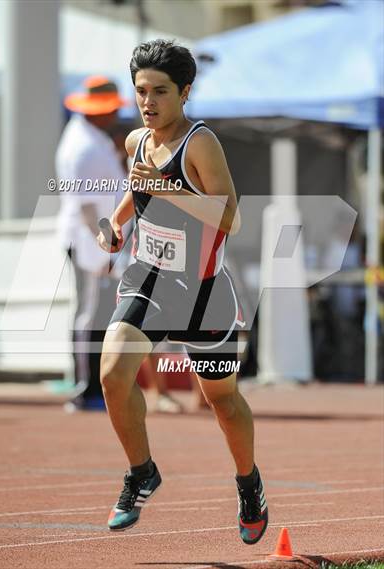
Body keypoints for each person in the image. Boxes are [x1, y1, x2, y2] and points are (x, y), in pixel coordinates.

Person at [97, 40, 268, 545]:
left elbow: (230, 218)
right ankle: (141, 471)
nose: (148, 102)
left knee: (221, 401)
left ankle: (248, 483)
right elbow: (138, 187)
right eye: (141, 91)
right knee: (111, 374)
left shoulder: (200, 143)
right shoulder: (136, 142)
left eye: (160, 92)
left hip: (203, 292)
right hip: (148, 279)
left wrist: (171, 188)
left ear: (185, 92)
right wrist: (116, 222)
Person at [56, 76, 127, 411]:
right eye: (109, 110)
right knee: (89, 315)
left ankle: (93, 386)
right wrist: (106, 244)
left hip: (94, 237)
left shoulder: (91, 138)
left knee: (97, 313)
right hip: (90, 239)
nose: (114, 116)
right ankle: (85, 389)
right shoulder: (84, 146)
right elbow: (86, 207)